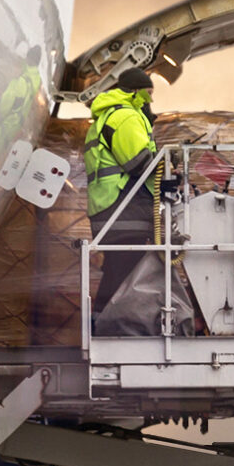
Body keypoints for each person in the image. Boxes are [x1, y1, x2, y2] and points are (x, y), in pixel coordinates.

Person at [84, 68, 160, 328]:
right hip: (122, 207)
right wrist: (168, 164)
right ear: (136, 91)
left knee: (119, 268)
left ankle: (101, 321)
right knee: (127, 271)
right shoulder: (126, 116)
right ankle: (109, 326)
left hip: (110, 207)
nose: (152, 101)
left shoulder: (107, 115)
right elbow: (138, 162)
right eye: (149, 93)